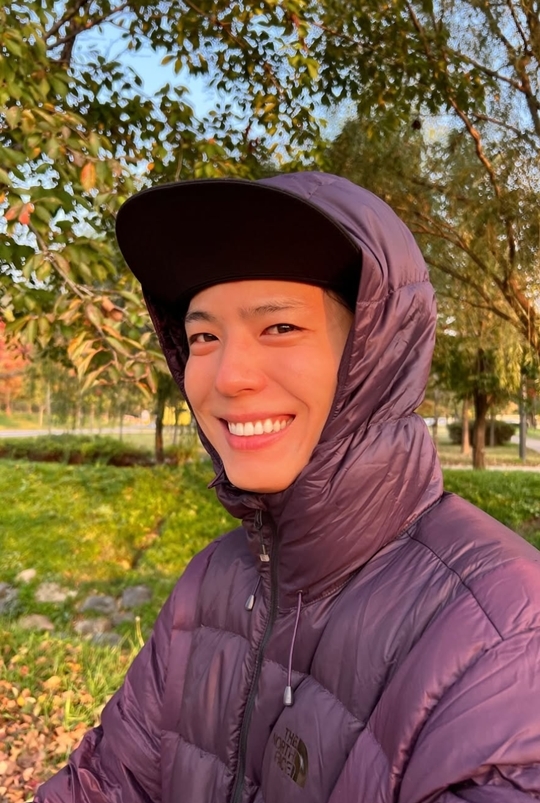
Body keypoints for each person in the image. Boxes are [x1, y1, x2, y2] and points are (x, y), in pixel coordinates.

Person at [35, 172, 540, 803]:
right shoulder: (211, 582)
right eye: (204, 337)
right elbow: (109, 782)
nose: (229, 377)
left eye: (279, 328)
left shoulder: (505, 640)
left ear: (375, 356)